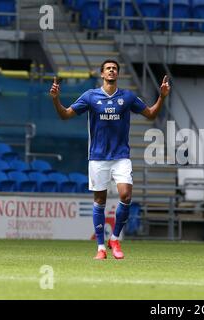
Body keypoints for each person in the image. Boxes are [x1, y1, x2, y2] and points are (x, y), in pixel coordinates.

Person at [50, 59, 170, 260]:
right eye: (108, 68)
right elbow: (65, 115)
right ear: (102, 74)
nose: (112, 71)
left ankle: (114, 238)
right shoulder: (90, 96)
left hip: (121, 156)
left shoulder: (128, 97)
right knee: (100, 200)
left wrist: (162, 97)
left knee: (125, 195)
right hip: (97, 157)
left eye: (115, 68)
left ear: (118, 74)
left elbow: (150, 114)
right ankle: (100, 248)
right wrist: (55, 99)